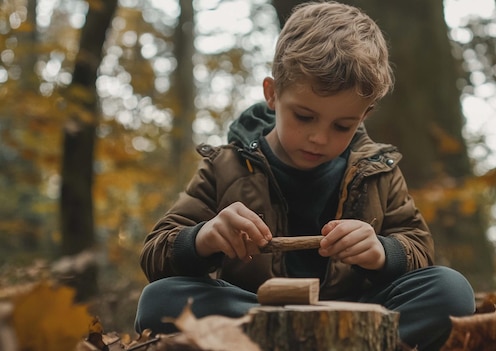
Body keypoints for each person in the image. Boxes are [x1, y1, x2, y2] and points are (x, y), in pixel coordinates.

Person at [134, 1, 475, 350]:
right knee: (160, 300)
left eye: (342, 125)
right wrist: (204, 238)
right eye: (304, 116)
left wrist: (382, 252)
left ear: (364, 115)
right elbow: (156, 254)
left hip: (357, 315)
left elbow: (419, 248)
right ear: (272, 93)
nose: (319, 138)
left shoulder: (379, 170)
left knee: (451, 291)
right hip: (255, 314)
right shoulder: (225, 166)